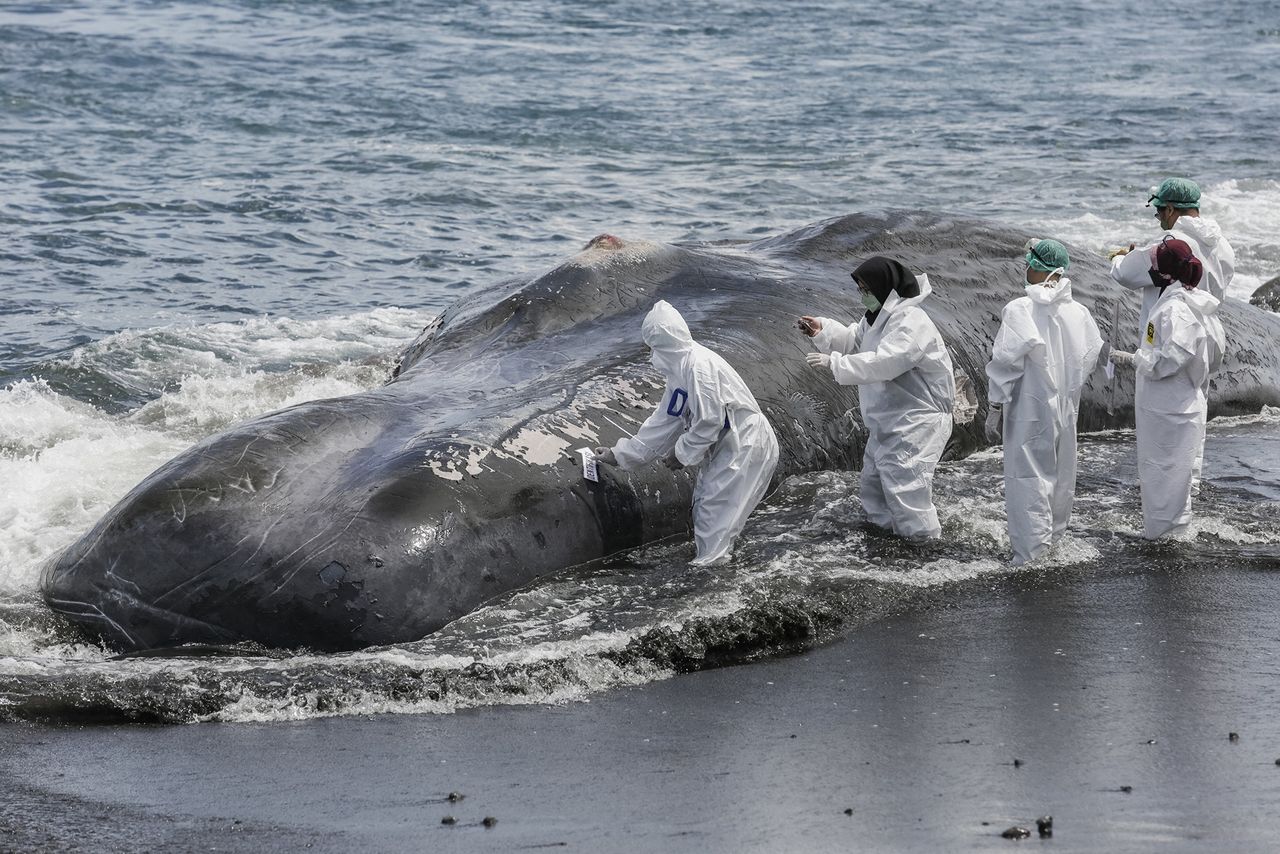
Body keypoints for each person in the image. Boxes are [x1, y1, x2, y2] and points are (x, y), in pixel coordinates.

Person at [594, 300, 779, 565]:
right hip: (731, 446)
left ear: (663, 344)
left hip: (745, 443)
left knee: (714, 514)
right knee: (710, 510)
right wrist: (619, 454)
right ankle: (714, 565)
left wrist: (681, 454)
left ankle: (712, 576)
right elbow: (664, 422)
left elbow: (709, 421)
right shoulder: (680, 373)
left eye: (652, 348)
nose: (651, 355)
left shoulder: (699, 368)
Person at [799, 257, 955, 540]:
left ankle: (924, 548)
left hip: (917, 420)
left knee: (906, 488)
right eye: (860, 289)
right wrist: (825, 332)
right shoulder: (877, 317)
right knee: (874, 487)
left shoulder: (910, 321)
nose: (863, 295)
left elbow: (886, 362)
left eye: (866, 290)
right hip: (889, 419)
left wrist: (835, 363)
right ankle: (888, 542)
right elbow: (857, 342)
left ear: (885, 288)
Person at [984, 239, 1104, 564]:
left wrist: (995, 405)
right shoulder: (1079, 312)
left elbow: (1005, 362)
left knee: (1028, 476)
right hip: (1066, 404)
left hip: (1029, 405)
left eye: (1029, 264)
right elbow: (1091, 353)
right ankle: (1055, 542)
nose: (1025, 269)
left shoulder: (1020, 309)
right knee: (1063, 473)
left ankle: (1030, 556)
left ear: (1039, 268)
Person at [1110, 237, 1225, 539]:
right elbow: (1212, 355)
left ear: (1164, 270)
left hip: (1168, 408)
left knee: (1163, 477)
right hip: (1178, 402)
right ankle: (1170, 534)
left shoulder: (1175, 310)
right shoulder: (1197, 303)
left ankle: (1166, 544)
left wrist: (1137, 359)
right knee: (1170, 479)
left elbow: (1173, 355)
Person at [1109, 177, 1235, 333]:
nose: (1159, 219)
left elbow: (1125, 274)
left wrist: (1119, 257)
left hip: (1167, 334)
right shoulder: (1223, 244)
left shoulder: (1170, 243)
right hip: (1206, 333)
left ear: (1169, 210)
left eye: (1158, 212)